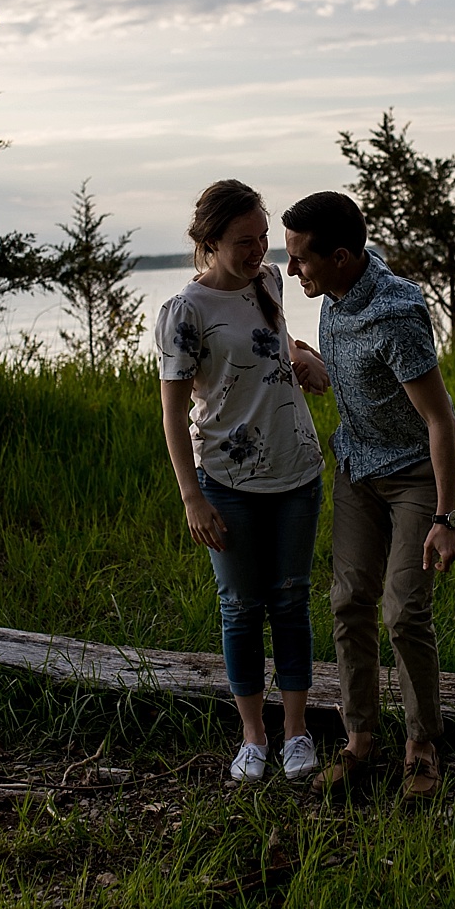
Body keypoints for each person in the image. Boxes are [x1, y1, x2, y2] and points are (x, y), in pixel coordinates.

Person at [281, 191, 455, 802]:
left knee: (404, 612)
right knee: (348, 601)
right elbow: (360, 375)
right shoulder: (335, 291)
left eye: (300, 258)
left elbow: (439, 419)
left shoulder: (396, 316)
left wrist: (446, 516)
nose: (291, 270)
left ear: (340, 256)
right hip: (357, 470)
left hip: (414, 476)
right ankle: (359, 740)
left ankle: (423, 746)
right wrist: (313, 362)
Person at [155, 180, 331, 784]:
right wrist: (191, 496)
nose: (258, 251)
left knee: (292, 601)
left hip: (296, 469)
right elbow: (172, 413)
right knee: (240, 608)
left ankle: (296, 731)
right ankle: (253, 735)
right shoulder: (186, 312)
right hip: (227, 480)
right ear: (209, 242)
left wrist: (301, 358)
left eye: (263, 238)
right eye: (243, 242)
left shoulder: (270, 281)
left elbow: (274, 342)